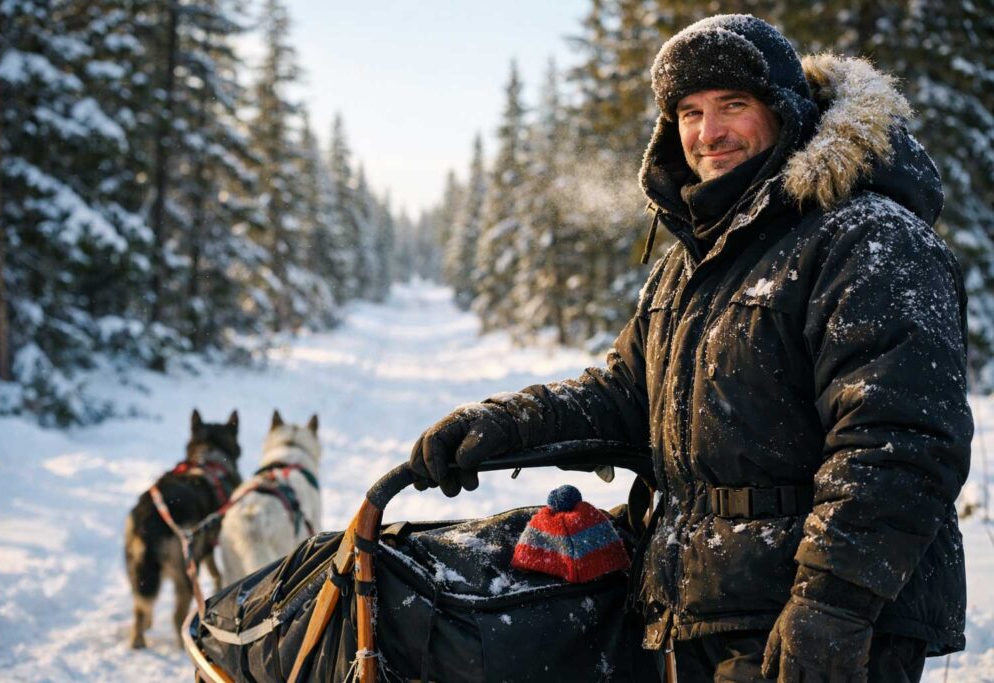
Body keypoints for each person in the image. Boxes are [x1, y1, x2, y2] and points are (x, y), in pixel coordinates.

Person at [410, 14, 972, 682]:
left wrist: (834, 604)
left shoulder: (867, 239)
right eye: (690, 112)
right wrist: (503, 423)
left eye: (734, 105)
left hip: (813, 617)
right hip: (701, 606)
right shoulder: (693, 262)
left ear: (785, 110)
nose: (710, 133)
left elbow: (899, 442)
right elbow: (625, 394)